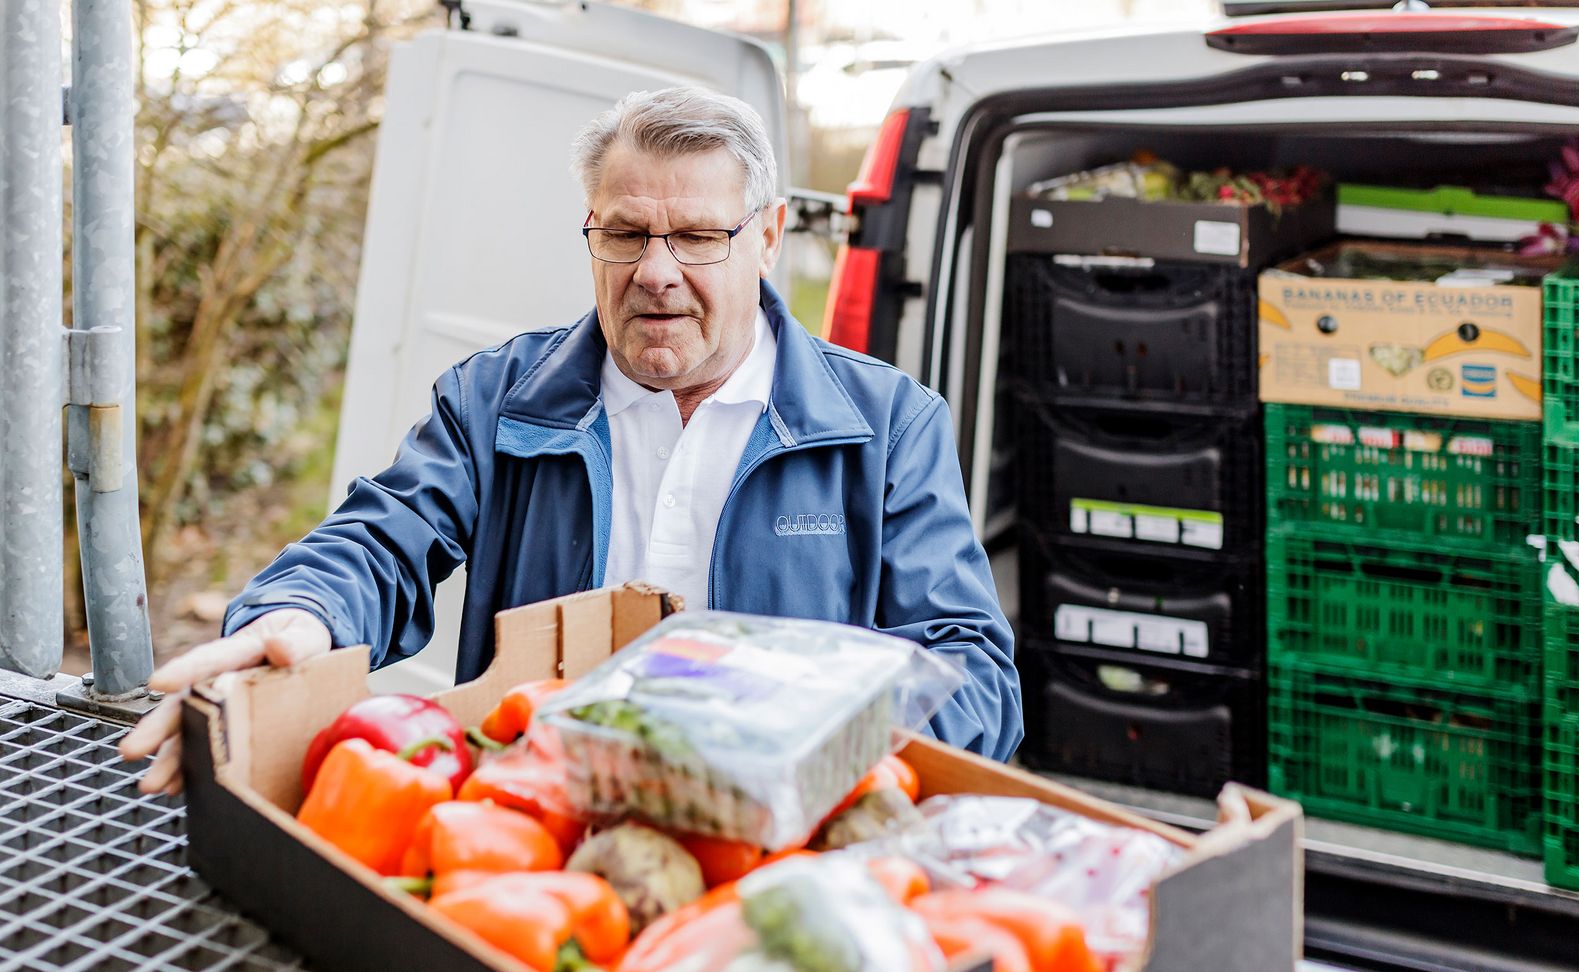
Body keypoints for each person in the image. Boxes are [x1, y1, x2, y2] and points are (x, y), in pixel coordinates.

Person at [119, 86, 1023, 793]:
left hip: (779, 855)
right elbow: (378, 539)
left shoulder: (887, 426)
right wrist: (296, 616)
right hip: (523, 837)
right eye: (626, 233)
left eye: (699, 237)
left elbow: (973, 677)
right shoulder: (499, 399)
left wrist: (794, 755)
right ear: (592, 232)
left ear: (769, 237)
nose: (656, 272)